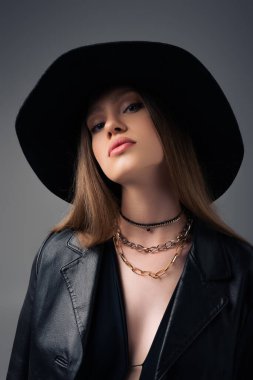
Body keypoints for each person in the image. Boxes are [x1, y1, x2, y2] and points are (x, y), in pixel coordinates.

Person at [6, 41, 253, 380]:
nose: (111, 126)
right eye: (96, 125)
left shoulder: (241, 271)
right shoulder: (56, 259)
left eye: (131, 106)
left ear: (168, 119)